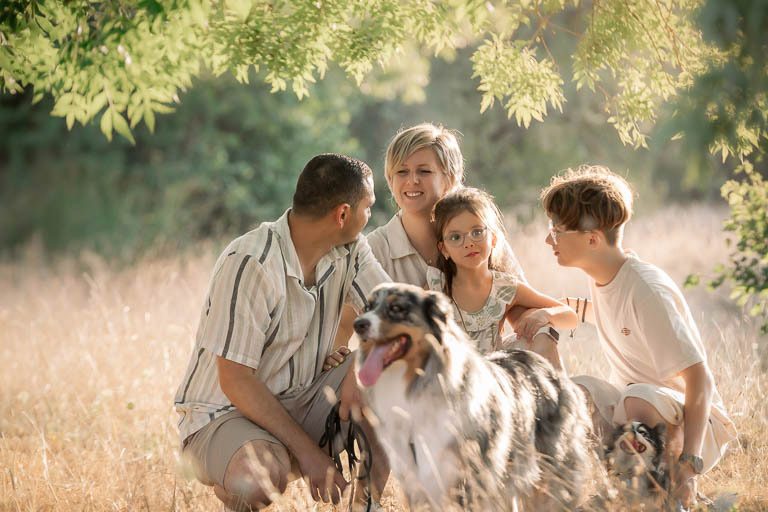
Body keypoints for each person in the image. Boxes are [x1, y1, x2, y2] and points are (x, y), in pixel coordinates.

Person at [174, 154, 390, 510]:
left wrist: (361, 363)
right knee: (259, 476)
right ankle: (240, 483)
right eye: (368, 208)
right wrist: (311, 456)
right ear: (342, 214)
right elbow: (235, 380)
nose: (369, 219)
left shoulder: (352, 248)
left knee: (389, 375)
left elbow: (395, 316)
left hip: (304, 398)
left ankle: (365, 507)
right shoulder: (251, 262)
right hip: (225, 413)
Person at [539, 165, 737, 508]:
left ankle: (669, 487)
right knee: (578, 393)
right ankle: (626, 485)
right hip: (637, 416)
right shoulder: (604, 275)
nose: (548, 238)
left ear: (592, 239)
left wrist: (690, 465)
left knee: (637, 400)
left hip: (694, 424)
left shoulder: (646, 289)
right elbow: (598, 312)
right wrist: (546, 313)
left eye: (556, 229)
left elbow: (699, 379)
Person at [325, 122, 526, 370]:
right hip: (407, 380)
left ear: (450, 178)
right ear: (389, 180)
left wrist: (538, 319)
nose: (412, 181)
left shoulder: (481, 238)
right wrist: (338, 361)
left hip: (482, 374)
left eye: (424, 171)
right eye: (401, 172)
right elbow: (342, 326)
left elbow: (517, 300)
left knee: (538, 339)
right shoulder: (374, 250)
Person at [426, 187, 577, 357]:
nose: (468, 243)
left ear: (494, 238)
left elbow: (570, 316)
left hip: (493, 377)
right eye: (455, 237)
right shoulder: (435, 288)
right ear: (443, 248)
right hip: (451, 376)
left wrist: (545, 314)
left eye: (477, 232)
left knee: (542, 334)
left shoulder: (505, 288)